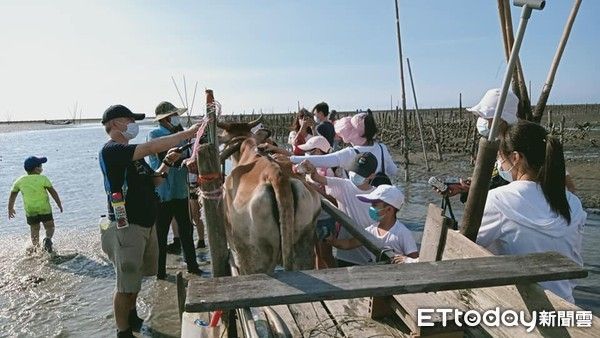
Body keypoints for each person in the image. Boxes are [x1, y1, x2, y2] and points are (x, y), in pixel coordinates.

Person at [99, 104, 201, 337]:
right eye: (129, 120)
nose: (133, 124)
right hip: (126, 225)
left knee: (135, 280)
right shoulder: (112, 150)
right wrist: (188, 133)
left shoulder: (134, 158)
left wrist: (168, 162)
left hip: (145, 223)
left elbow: (154, 181)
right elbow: (151, 146)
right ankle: (122, 330)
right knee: (125, 285)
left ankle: (132, 317)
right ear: (115, 123)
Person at [476, 121, 586, 303]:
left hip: (518, 310)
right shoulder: (572, 202)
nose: (500, 165)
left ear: (516, 157)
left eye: (500, 158)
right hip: (566, 302)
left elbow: (467, 249)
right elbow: (574, 260)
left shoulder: (498, 199)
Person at [147, 101, 201, 280]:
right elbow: (168, 156)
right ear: (167, 118)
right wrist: (185, 135)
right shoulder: (155, 134)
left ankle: (193, 267)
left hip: (180, 192)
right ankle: (160, 273)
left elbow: (187, 156)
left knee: (186, 230)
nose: (177, 118)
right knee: (161, 235)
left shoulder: (179, 134)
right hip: (163, 194)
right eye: (174, 115)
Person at [302, 152, 379, 266]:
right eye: (354, 171)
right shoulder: (343, 185)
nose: (355, 175)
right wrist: (311, 170)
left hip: (371, 253)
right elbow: (317, 178)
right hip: (345, 253)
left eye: (361, 173)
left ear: (372, 176)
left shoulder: (379, 194)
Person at [290, 110, 398, 179]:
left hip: (355, 204)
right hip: (379, 203)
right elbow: (394, 171)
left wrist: (291, 159)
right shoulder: (382, 148)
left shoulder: (349, 153)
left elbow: (320, 160)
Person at [328, 184, 419, 264]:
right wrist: (332, 240)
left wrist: (407, 260)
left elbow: (416, 259)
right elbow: (348, 244)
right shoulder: (371, 231)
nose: (371, 208)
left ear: (389, 210)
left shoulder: (402, 233)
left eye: (374, 205)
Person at [295, 136, 337, 268]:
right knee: (316, 253)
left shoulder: (327, 171)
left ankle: (338, 278)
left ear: (318, 152)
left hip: (326, 218)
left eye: (309, 152)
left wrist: (313, 188)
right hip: (314, 216)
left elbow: (334, 201)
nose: (306, 155)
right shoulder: (311, 169)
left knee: (325, 254)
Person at [8, 156, 63, 253]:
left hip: (31, 210)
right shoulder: (43, 179)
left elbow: (13, 194)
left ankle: (36, 248)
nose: (42, 167)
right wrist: (59, 204)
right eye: (41, 165)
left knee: (34, 229)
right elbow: (53, 192)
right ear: (37, 169)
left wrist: (10, 208)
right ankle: (48, 239)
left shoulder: (20, 180)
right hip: (44, 209)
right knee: (49, 226)